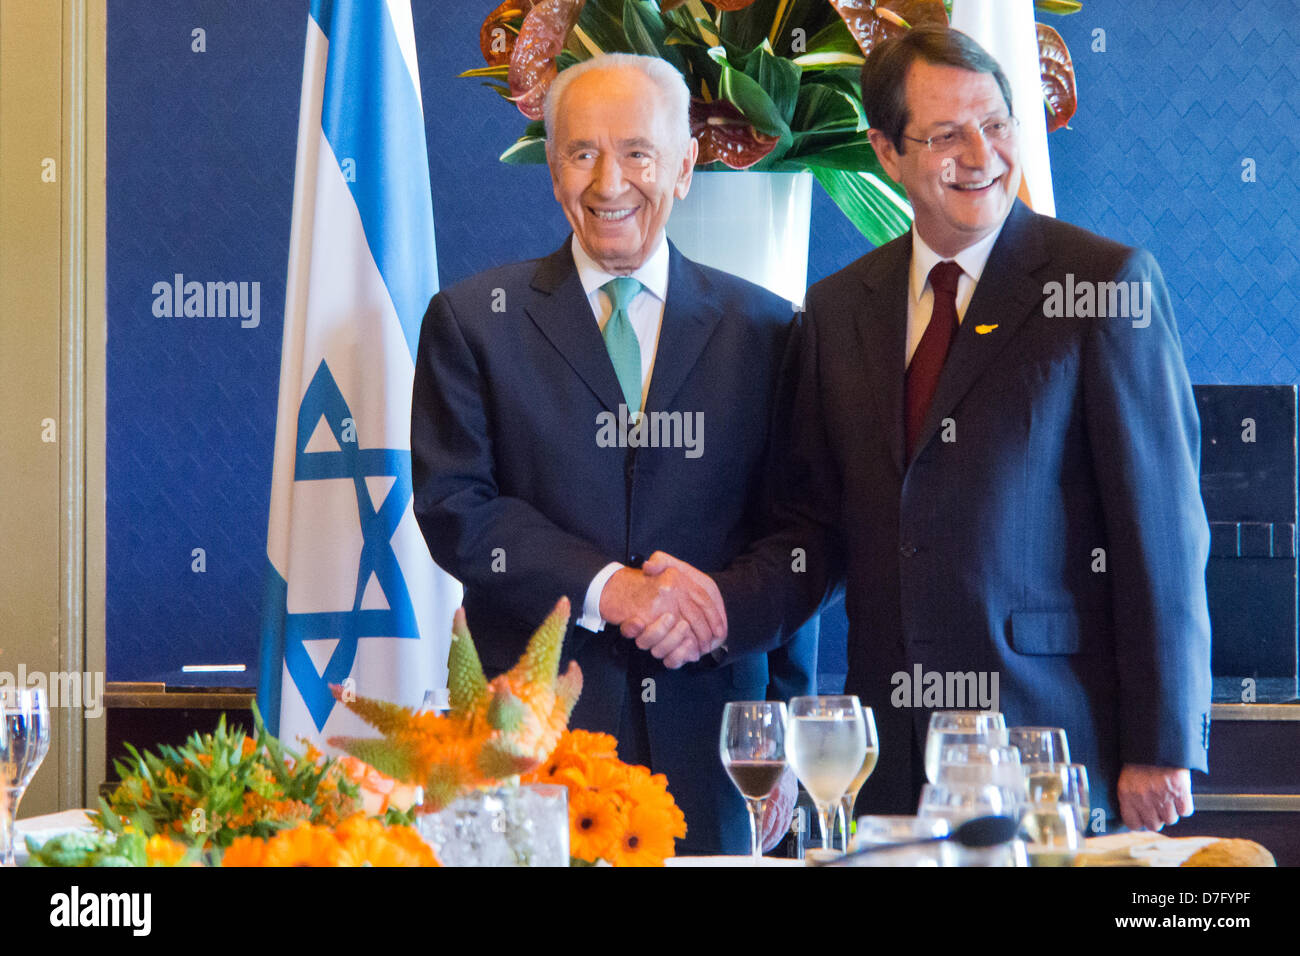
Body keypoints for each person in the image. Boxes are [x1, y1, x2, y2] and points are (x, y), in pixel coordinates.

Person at [707, 26, 1212, 832]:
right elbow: (812, 527)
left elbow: (1163, 533)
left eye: (997, 124)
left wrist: (1162, 743)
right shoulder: (839, 308)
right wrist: (718, 608)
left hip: (1053, 744)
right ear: (886, 152)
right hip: (891, 755)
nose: (981, 154)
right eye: (945, 135)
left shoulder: (1103, 284)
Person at [411, 53, 816, 855]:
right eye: (581, 152)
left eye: (637, 152)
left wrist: (784, 728)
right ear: (552, 168)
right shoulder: (471, 321)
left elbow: (800, 537)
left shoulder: (771, 332)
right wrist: (612, 591)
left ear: (685, 168)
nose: (609, 182)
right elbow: (458, 511)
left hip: (718, 751)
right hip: (531, 750)